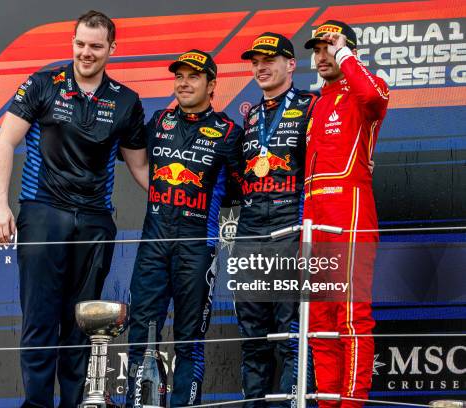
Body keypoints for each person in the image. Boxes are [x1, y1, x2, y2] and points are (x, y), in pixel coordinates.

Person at [0, 10, 148, 408]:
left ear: (112, 48)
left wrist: (190, 196)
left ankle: (76, 402)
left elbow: (142, 168)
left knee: (83, 321)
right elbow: (5, 142)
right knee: (40, 319)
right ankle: (38, 404)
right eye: (80, 44)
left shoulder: (126, 101)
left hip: (94, 221)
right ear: (72, 42)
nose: (86, 53)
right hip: (43, 212)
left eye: (96, 46)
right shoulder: (43, 84)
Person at [125, 50, 243, 407]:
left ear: (212, 85)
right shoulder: (159, 121)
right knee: (141, 335)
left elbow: (239, 191)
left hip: (197, 248)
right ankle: (138, 402)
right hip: (153, 245)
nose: (184, 82)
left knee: (189, 340)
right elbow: (136, 160)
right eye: (179, 76)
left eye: (193, 76)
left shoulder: (228, 132)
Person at [302, 20, 389, 408]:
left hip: (351, 209)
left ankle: (352, 404)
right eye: (317, 49)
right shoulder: (317, 102)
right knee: (319, 324)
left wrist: (344, 53)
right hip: (314, 215)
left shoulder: (366, 89)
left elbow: (373, 99)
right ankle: (326, 403)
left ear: (346, 50)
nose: (322, 56)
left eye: (329, 48)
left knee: (351, 316)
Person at [235, 33, 318, 407]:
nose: (261, 66)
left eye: (270, 59)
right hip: (251, 231)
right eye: (255, 61)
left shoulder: (310, 106)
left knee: (290, 334)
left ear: (291, 64)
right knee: (252, 335)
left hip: (291, 227)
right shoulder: (251, 115)